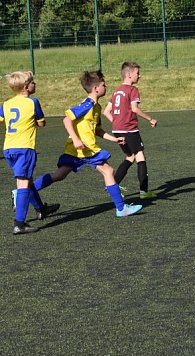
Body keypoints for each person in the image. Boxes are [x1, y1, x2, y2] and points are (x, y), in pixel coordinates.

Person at [31, 70, 143, 218]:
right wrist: (76, 139)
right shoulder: (88, 104)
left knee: (59, 175)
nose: (106, 87)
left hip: (79, 149)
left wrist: (114, 139)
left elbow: (97, 130)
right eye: (103, 85)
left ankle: (24, 191)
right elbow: (66, 120)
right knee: (108, 171)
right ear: (96, 88)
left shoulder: (96, 107)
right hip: (84, 148)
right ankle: (121, 208)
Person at [2, 72, 60, 235]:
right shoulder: (33, 102)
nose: (35, 84)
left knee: (27, 180)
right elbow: (41, 123)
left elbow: (2, 119)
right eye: (33, 82)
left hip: (9, 148)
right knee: (23, 184)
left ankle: (41, 208)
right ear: (26, 87)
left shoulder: (6, 104)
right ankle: (19, 223)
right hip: (24, 148)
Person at [102, 62, 158, 198]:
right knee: (140, 157)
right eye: (137, 73)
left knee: (130, 157)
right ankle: (144, 192)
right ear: (129, 74)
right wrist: (150, 119)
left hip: (117, 130)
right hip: (129, 130)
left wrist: (117, 123)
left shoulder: (116, 91)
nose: (140, 75)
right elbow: (134, 109)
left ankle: (112, 185)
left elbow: (106, 112)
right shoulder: (133, 90)